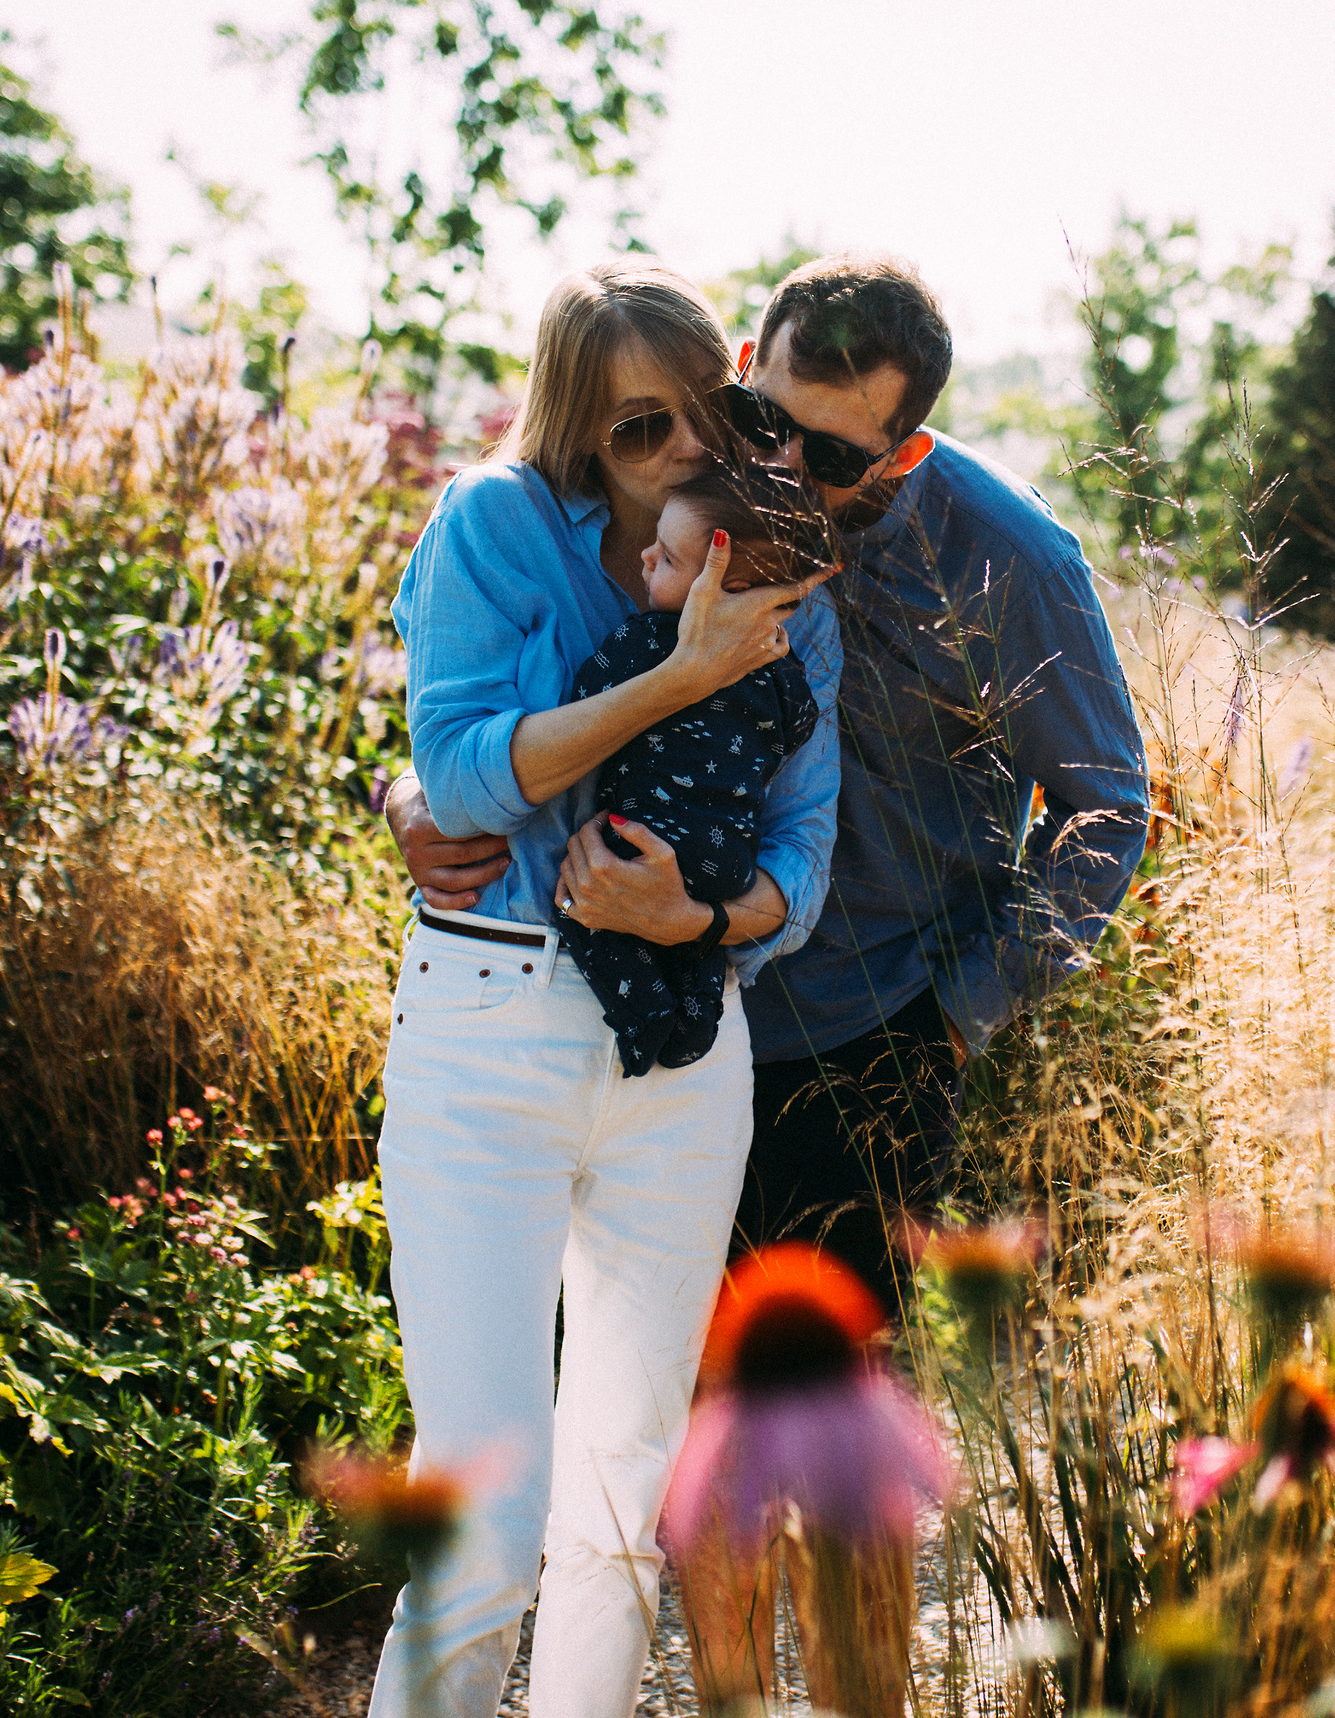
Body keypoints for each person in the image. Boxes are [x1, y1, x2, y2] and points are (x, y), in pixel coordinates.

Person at [391, 253, 1149, 1714]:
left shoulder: (1008, 559)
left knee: (841, 1470)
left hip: (867, 1048)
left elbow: (1110, 808)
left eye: (836, 451)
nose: (783, 459)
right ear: (745, 360)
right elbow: (491, 690)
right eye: (766, 412)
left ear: (907, 445)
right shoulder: (682, 474)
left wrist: (965, 1010)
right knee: (680, 1469)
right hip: (670, 1038)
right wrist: (414, 798)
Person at [370, 261, 839, 1718]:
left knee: (626, 1503)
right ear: (579, 436)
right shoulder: (497, 525)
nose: (687, 450)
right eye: (642, 430)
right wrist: (676, 676)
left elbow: (804, 856)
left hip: (685, 1052)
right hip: (492, 1027)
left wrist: (698, 911)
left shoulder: (776, 555)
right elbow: (454, 773)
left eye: (707, 411)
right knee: (487, 1509)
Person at [555, 463, 840, 1076]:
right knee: (699, 946)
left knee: (586, 910)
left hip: (640, 839)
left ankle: (644, 1020)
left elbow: (586, 698)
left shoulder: (646, 643)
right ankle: (695, 1017)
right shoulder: (778, 669)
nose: (646, 557)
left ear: (724, 591)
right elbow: (798, 728)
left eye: (670, 560)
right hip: (729, 862)